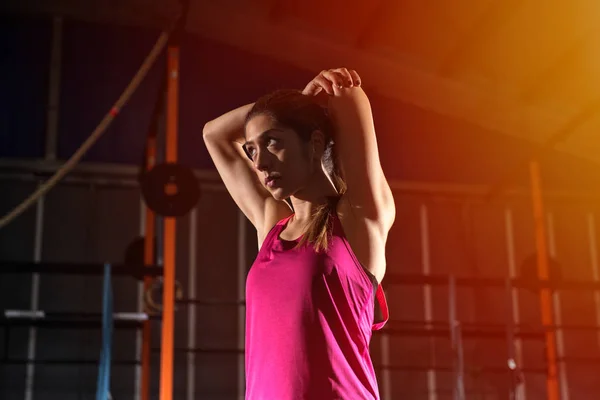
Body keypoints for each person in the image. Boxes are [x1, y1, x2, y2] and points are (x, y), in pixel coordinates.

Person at [203, 68, 395, 400]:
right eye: (251, 149)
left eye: (272, 142)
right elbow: (213, 134)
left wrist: (303, 103)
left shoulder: (358, 219)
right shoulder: (272, 227)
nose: (259, 162)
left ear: (314, 142)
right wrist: (297, 100)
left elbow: (347, 95)